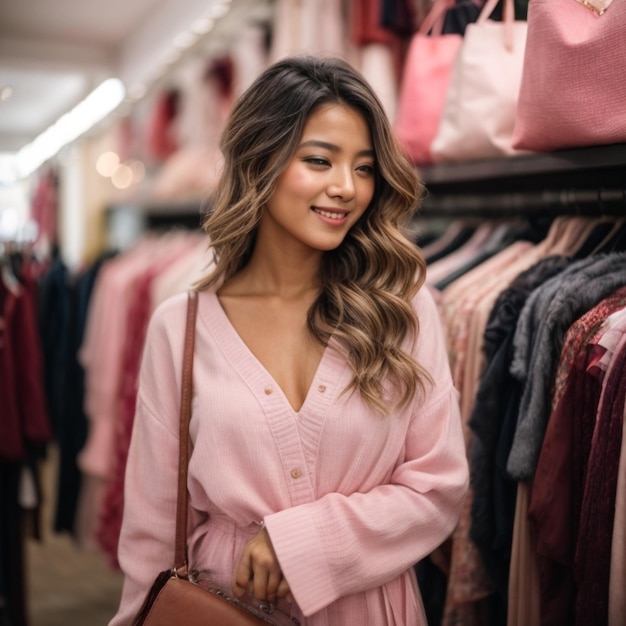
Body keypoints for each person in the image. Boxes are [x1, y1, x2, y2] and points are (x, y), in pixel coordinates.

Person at [110, 55, 468, 626]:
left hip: (369, 608)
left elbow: (438, 487)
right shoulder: (180, 326)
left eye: (365, 168)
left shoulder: (403, 311)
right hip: (221, 606)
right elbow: (154, 527)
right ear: (261, 161)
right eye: (320, 160)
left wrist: (299, 544)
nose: (346, 188)